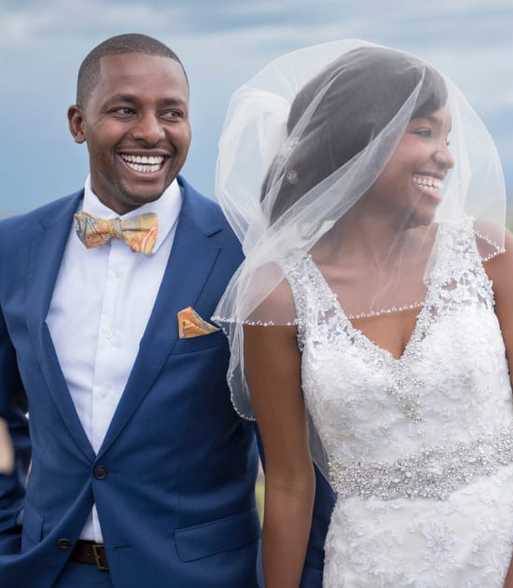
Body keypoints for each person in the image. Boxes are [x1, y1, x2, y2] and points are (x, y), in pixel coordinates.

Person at [213, 40, 513, 587]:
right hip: (372, 568)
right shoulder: (278, 297)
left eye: (447, 136)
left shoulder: (490, 254)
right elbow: (288, 485)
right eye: (423, 131)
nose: (445, 154)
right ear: (358, 139)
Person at [0, 34, 332, 587]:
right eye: (125, 109)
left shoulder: (249, 254)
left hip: (203, 576)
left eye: (171, 112)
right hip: (45, 572)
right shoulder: (13, 247)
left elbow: (297, 457)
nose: (151, 131)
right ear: (78, 123)